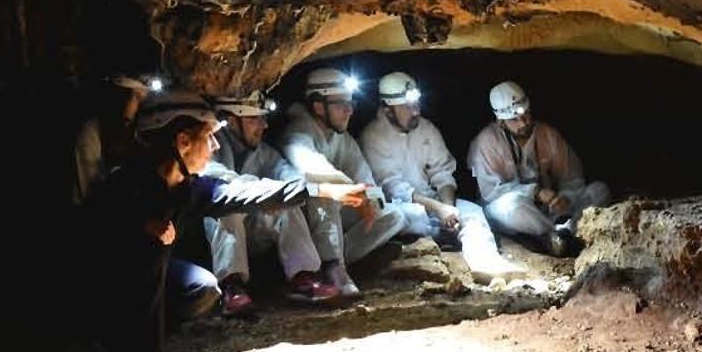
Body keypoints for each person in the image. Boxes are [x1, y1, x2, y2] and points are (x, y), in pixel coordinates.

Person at [84, 90, 366, 352]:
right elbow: (93, 230)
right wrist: (139, 224)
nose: (215, 146)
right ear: (183, 142)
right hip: (97, 285)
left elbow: (243, 191)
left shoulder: (187, 187)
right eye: (209, 137)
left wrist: (321, 189)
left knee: (201, 288)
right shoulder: (126, 186)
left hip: (151, 278)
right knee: (145, 253)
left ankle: (152, 341)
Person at [203, 91, 366, 313]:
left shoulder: (264, 152)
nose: (264, 125)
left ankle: (303, 275)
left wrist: (292, 193)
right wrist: (272, 192)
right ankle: (231, 286)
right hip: (204, 240)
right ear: (231, 122)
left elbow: (290, 176)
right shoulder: (207, 150)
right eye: (254, 119)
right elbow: (229, 187)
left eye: (263, 118)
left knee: (287, 202)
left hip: (250, 232)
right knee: (228, 209)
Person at [361, 71, 522, 282]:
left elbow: (443, 172)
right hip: (399, 206)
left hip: (432, 202)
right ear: (388, 110)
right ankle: (431, 240)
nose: (416, 111)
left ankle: (485, 262)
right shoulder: (372, 136)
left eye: (416, 104)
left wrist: (448, 207)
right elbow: (392, 188)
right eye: (407, 107)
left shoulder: (425, 128)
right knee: (404, 216)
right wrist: (439, 209)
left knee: (472, 212)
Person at [278, 67, 406, 298]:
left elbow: (365, 178)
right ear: (318, 107)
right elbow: (309, 166)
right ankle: (333, 269)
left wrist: (371, 200)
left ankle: (334, 259)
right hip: (297, 220)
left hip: (329, 222)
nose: (349, 110)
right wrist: (351, 189)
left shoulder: (342, 139)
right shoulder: (298, 131)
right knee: (325, 192)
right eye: (341, 104)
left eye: (350, 103)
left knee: (392, 214)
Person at [467, 80, 610, 255]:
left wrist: (562, 198)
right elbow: (491, 193)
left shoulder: (547, 134)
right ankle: (553, 234)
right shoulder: (486, 143)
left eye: (526, 114)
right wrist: (536, 193)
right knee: (512, 206)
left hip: (551, 209)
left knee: (599, 190)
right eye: (514, 119)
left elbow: (571, 177)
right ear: (501, 122)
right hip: (515, 211)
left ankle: (568, 230)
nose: (523, 123)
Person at [73, 74, 155, 204]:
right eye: (137, 97)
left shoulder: (137, 131)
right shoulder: (91, 132)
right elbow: (88, 189)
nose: (140, 104)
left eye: (142, 99)